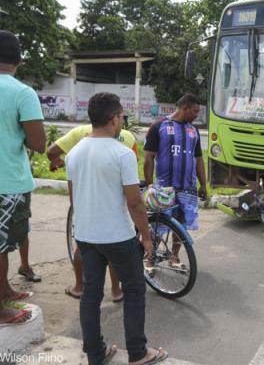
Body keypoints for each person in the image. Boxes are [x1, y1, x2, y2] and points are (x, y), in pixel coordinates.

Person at [66, 92, 167, 365]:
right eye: (122, 116)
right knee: (134, 290)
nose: (123, 120)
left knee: (91, 294)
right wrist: (146, 238)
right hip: (117, 236)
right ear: (113, 119)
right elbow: (134, 203)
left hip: (85, 235)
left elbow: (74, 199)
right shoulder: (121, 154)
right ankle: (138, 352)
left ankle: (95, 354)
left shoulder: (74, 154)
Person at [48, 124, 139, 302]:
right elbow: (133, 166)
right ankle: (115, 290)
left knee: (84, 246)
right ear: (113, 118)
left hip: (86, 205)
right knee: (113, 247)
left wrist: (57, 161)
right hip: (115, 207)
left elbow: (52, 151)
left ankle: (79, 287)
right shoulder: (127, 137)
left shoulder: (78, 134)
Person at [0, 30, 46, 325]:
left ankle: (4, 289)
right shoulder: (21, 92)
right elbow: (38, 142)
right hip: (8, 183)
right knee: (1, 245)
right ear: (19, 60)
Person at [143, 93, 207, 263]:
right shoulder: (159, 126)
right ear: (184, 108)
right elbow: (148, 158)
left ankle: (174, 255)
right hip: (164, 189)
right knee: (158, 226)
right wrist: (150, 186)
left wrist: (203, 185)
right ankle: (150, 258)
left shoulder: (194, 131)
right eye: (194, 111)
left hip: (187, 188)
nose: (196, 115)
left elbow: (199, 159)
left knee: (181, 225)